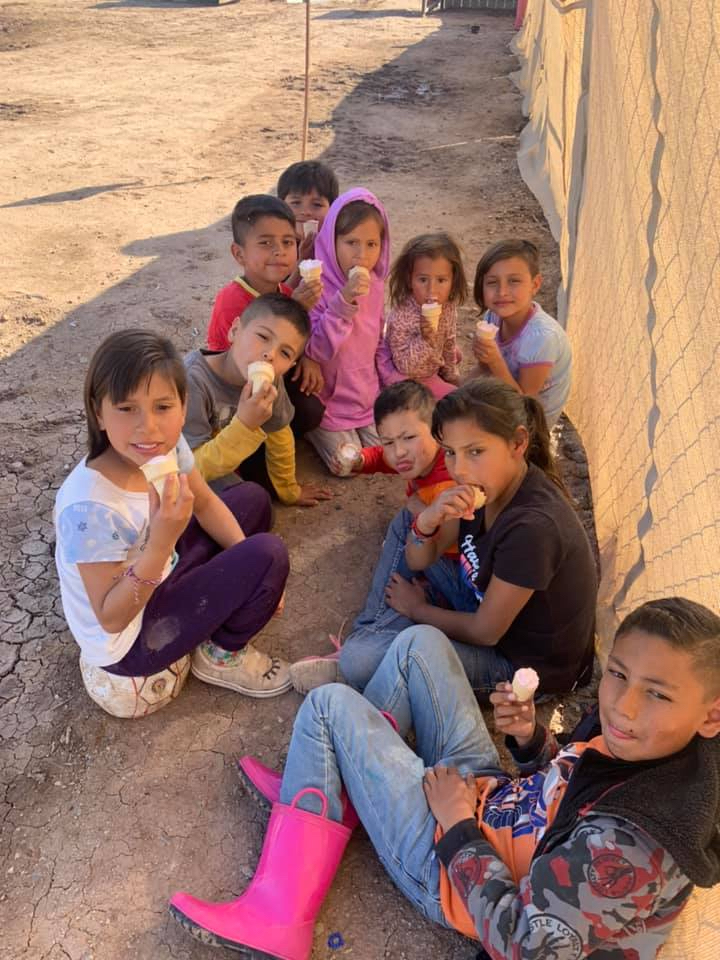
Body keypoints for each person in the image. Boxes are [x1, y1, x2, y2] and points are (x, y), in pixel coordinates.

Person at [169, 597, 720, 959]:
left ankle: (279, 915)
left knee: (328, 706)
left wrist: (457, 827)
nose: (623, 705)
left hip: (453, 871)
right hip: (493, 801)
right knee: (421, 645)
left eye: (657, 693)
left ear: (711, 715)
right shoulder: (651, 745)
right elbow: (571, 789)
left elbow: (525, 944)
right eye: (619, 674)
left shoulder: (633, 846)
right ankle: (334, 789)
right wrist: (533, 742)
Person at [54, 330, 292, 699]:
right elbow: (111, 617)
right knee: (269, 553)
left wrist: (250, 574)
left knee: (253, 500)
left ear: (183, 406)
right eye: (126, 408)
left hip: (159, 566)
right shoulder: (89, 508)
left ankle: (223, 592)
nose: (147, 426)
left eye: (163, 407)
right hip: (131, 639)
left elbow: (207, 503)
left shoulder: (164, 446)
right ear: (98, 413)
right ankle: (221, 656)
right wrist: (162, 543)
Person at [329, 378, 597, 697]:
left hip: (517, 665)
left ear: (517, 443)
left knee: (360, 662)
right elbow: (421, 557)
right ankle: (372, 634)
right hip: (478, 597)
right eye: (450, 453)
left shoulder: (532, 529)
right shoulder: (484, 487)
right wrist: (427, 521)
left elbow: (486, 632)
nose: (459, 469)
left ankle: (370, 649)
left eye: (475, 451)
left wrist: (417, 610)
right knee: (408, 521)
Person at [289, 380, 455, 693]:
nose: (398, 451)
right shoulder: (425, 459)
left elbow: (441, 543)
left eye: (408, 437)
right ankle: (364, 648)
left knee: (406, 521)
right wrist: (362, 460)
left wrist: (420, 514)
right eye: (388, 441)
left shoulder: (450, 479)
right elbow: (386, 458)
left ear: (437, 431)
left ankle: (362, 646)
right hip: (438, 555)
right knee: (409, 519)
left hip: (453, 569)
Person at [184, 293, 331, 507]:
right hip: (193, 465)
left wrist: (290, 491)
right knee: (253, 506)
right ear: (235, 330)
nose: (270, 354)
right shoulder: (192, 381)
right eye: (263, 337)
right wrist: (245, 425)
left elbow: (279, 434)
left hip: (232, 448)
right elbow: (190, 469)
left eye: (285, 353)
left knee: (309, 411)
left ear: (290, 366)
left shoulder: (272, 379)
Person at [206, 194, 325, 437]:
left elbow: (291, 336)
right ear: (239, 254)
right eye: (266, 243)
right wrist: (297, 307)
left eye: (287, 242)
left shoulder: (284, 291)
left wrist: (307, 357)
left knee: (311, 410)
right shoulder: (231, 300)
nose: (279, 251)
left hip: (271, 372)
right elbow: (235, 364)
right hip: (234, 387)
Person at [303, 187, 403, 472]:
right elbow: (317, 349)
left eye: (372, 244)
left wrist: (389, 379)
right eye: (351, 243)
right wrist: (344, 301)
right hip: (329, 400)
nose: (362, 255)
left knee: (390, 455)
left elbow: (377, 338)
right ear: (331, 241)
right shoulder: (316, 286)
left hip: (364, 395)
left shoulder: (376, 284)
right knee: (346, 464)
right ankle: (312, 431)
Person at [468, 239, 571, 427]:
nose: (502, 292)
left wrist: (495, 361)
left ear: (535, 284)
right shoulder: (493, 316)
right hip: (502, 401)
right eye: (492, 282)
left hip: (529, 426)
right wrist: (454, 385)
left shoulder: (541, 337)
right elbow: (484, 369)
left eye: (514, 281)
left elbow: (523, 406)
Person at [385, 231, 467, 399]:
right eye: (423, 280)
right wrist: (426, 340)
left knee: (455, 353)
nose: (431, 290)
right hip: (410, 377)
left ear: (453, 281)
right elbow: (405, 367)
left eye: (441, 280)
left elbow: (448, 340)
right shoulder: (401, 316)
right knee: (455, 397)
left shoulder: (448, 307)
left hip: (432, 363)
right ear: (409, 280)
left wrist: (451, 374)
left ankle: (441, 376)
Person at [277, 159, 339, 269]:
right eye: (296, 203)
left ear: (332, 209)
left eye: (317, 205)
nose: (305, 212)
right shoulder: (274, 250)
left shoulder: (337, 248)